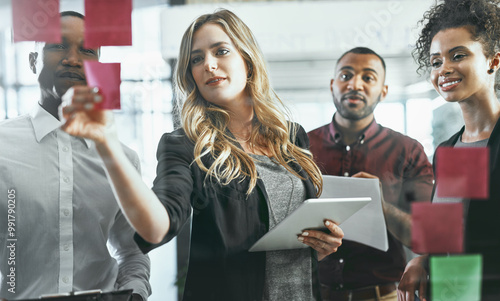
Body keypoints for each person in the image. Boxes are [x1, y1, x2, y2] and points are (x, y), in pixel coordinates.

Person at [58, 9, 345, 301]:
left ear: (247, 61)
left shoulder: (291, 136)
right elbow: (157, 227)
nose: (208, 64)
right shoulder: (185, 144)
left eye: (221, 51)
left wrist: (320, 245)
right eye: (196, 59)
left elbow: (288, 235)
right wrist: (107, 143)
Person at [0, 11, 151, 301]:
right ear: (33, 61)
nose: (73, 58)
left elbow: (132, 251)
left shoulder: (123, 160)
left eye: (87, 50)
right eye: (57, 46)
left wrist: (135, 295)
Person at [307, 47, 434, 301]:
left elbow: (425, 238)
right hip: (312, 295)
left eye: (368, 77)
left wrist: (380, 205)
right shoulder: (302, 147)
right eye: (346, 76)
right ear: (333, 85)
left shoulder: (408, 151)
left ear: (383, 91)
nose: (355, 84)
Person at [397, 0, 500, 300]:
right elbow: (450, 230)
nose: (445, 69)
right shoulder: (449, 149)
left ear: (494, 61)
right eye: (435, 61)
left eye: (458, 55)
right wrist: (422, 259)